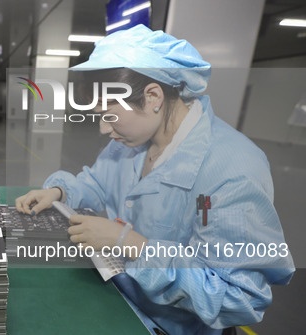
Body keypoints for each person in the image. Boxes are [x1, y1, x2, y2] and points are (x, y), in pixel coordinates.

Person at [15, 25, 295, 335]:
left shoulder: (232, 169)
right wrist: (59, 191)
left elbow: (238, 296)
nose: (103, 130)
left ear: (152, 97)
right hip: (124, 301)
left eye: (109, 115)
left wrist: (130, 244)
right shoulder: (129, 143)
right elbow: (96, 183)